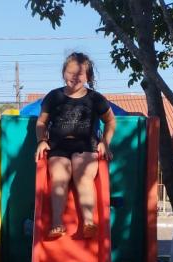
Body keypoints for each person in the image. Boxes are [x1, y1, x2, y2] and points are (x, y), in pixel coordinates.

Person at [35, 52, 116, 240]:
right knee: (59, 178)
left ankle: (88, 222)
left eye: (80, 74)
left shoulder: (95, 99)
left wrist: (105, 142)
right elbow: (41, 123)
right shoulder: (54, 97)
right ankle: (57, 223)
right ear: (64, 73)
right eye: (70, 72)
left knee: (83, 176)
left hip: (86, 144)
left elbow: (111, 122)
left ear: (87, 77)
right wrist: (41, 141)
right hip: (58, 145)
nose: (75, 77)